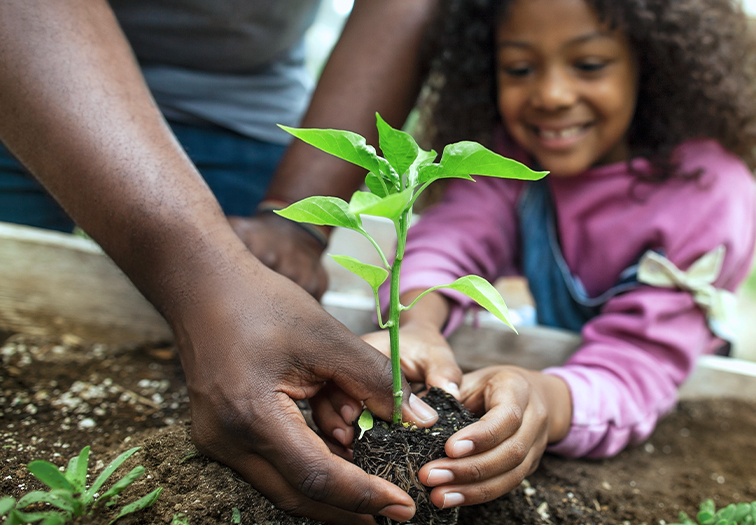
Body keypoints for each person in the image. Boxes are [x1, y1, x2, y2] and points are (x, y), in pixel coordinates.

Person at [312, 0, 756, 511]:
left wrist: (546, 401)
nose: (552, 95)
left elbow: (638, 364)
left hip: (658, 381)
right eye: (519, 68)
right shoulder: (513, 157)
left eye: (589, 65)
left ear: (653, 62)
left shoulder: (708, 193)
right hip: (563, 359)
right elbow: (455, 237)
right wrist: (418, 322)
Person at [0, 0, 440, 523]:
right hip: (27, 68)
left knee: (248, 345)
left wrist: (295, 226)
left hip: (237, 111)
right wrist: (203, 275)